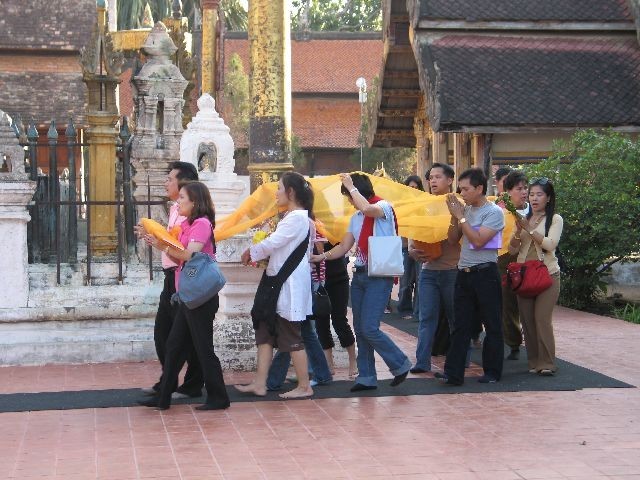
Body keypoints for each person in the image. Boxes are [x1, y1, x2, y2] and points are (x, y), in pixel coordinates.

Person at [310, 173, 412, 392]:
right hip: (360, 276)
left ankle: (400, 363)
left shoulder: (383, 207)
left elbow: (367, 208)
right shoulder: (356, 218)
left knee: (369, 327)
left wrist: (350, 185)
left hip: (379, 276)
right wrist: (321, 257)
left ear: (357, 191)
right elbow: (343, 246)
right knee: (360, 327)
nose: (350, 201)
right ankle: (366, 377)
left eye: (349, 196)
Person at [139, 181, 230, 410]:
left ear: (195, 202)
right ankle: (163, 397)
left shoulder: (201, 224)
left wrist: (163, 246)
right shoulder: (187, 224)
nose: (177, 202)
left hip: (200, 298)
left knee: (202, 348)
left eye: (182, 198)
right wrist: (158, 244)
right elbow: (179, 256)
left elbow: (190, 255)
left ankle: (219, 397)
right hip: (188, 295)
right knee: (173, 345)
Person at [236, 172, 316, 399]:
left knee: (290, 336)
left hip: (286, 284)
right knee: (265, 332)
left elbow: (274, 242)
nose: (276, 193)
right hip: (276, 282)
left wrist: (252, 251)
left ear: (290, 192)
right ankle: (260, 383)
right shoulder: (294, 218)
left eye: (279, 188)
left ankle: (304, 386)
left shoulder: (297, 218)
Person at [135, 161, 202, 399]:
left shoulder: (194, 216)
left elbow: (183, 248)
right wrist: (152, 235)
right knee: (164, 333)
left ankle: (188, 384)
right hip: (170, 275)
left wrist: (159, 241)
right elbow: (170, 239)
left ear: (183, 184)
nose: (166, 183)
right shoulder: (175, 209)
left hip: (183, 276)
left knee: (183, 335)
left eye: (169, 179)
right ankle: (169, 381)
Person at [435, 168, 505, 386]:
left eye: (466, 189)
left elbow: (478, 240)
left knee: (492, 324)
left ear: (479, 188)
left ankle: (492, 372)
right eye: (460, 189)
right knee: (460, 325)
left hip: (485, 273)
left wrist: (461, 217)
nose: (462, 193)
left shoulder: (493, 212)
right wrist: (454, 217)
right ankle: (453, 373)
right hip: (463, 273)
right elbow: (452, 239)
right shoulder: (465, 210)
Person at [265, 218, 333, 391]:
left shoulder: (305, 222)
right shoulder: (302, 221)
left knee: (291, 330)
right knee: (302, 331)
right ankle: (321, 373)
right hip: (301, 280)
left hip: (303, 281)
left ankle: (274, 380)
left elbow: (317, 252)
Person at [408, 163, 460, 374]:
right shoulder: (425, 205)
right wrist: (411, 249)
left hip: (453, 270)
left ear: (450, 180)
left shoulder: (458, 204)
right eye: (430, 178)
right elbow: (414, 230)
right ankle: (422, 361)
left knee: (456, 319)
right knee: (426, 318)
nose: (433, 181)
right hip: (428, 271)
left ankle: (460, 359)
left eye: (438, 177)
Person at [509, 177, 563, 376]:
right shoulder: (523, 218)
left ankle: (547, 362)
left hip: (548, 274)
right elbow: (512, 250)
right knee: (527, 321)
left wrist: (529, 228)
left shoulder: (555, 219)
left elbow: (550, 244)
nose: (534, 198)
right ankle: (533, 361)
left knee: (542, 319)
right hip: (524, 276)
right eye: (531, 194)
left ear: (548, 198)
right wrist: (518, 231)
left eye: (539, 194)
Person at [498, 170, 531, 360]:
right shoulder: (501, 213)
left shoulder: (534, 212)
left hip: (530, 261)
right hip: (505, 261)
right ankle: (513, 343)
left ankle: (534, 344)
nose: (524, 192)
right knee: (508, 304)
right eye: (519, 188)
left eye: (526, 187)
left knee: (530, 305)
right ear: (508, 191)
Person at [314, 241, 358, 377]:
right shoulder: (310, 229)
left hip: (338, 277)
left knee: (339, 320)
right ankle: (328, 364)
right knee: (321, 321)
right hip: (318, 279)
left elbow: (343, 246)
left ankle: (353, 360)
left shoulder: (335, 230)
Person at [397, 175, 425, 319]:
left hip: (420, 245)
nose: (413, 189)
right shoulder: (401, 205)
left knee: (421, 280)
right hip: (404, 246)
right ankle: (404, 308)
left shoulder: (425, 204)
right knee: (405, 281)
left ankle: (418, 311)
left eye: (415, 187)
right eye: (410, 187)